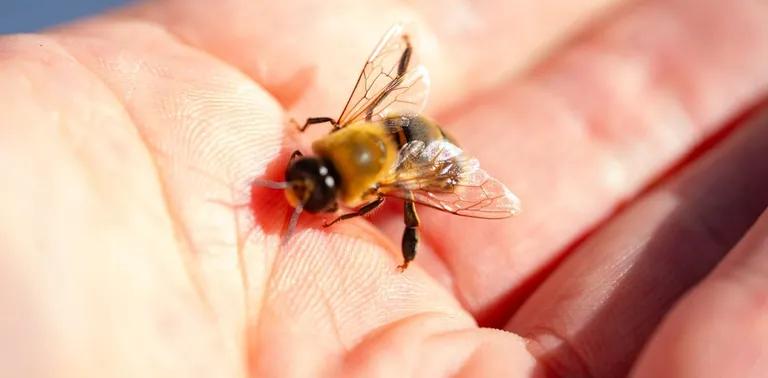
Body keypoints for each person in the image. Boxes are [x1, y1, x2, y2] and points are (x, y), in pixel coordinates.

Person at [1, 0, 767, 376]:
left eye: (317, 188)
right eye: (311, 179)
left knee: (413, 199)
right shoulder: (340, 138)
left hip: (419, 156)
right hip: (387, 127)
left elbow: (364, 186)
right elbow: (347, 130)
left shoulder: (376, 179)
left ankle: (407, 238)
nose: (308, 186)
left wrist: (346, 201)